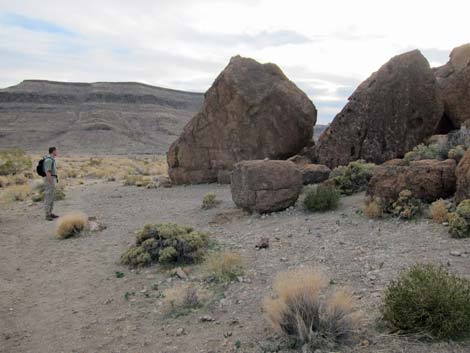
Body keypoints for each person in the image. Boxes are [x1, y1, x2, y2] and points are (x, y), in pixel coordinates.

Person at [44, 147, 59, 221]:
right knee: (48, 196)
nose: (57, 152)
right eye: (56, 151)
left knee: (51, 196)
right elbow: (48, 171)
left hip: (52, 179)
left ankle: (50, 212)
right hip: (49, 179)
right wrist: (50, 181)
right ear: (53, 151)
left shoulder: (52, 159)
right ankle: (47, 214)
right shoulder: (49, 160)